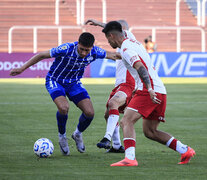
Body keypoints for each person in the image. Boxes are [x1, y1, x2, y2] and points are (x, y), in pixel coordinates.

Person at [10, 32, 120, 156]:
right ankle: (62, 136)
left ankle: (77, 134)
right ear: (78, 44)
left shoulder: (96, 51)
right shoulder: (66, 49)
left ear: (92, 48)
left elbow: (114, 55)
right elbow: (41, 55)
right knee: (63, 108)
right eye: (81, 49)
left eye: (87, 50)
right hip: (55, 80)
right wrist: (22, 68)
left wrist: (135, 59)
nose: (84, 53)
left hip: (74, 83)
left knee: (90, 113)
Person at [102, 21, 196, 166]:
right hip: (160, 90)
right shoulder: (134, 42)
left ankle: (130, 159)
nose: (108, 43)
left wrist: (149, 89)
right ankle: (184, 150)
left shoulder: (126, 49)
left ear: (111, 36)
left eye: (108, 40)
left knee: (126, 121)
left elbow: (140, 68)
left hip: (149, 90)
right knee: (150, 131)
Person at [85, 19, 137, 153]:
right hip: (120, 84)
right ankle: (117, 145)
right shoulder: (122, 46)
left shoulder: (129, 38)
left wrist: (98, 23)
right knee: (108, 115)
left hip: (128, 83)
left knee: (113, 103)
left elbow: (116, 30)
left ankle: (107, 138)